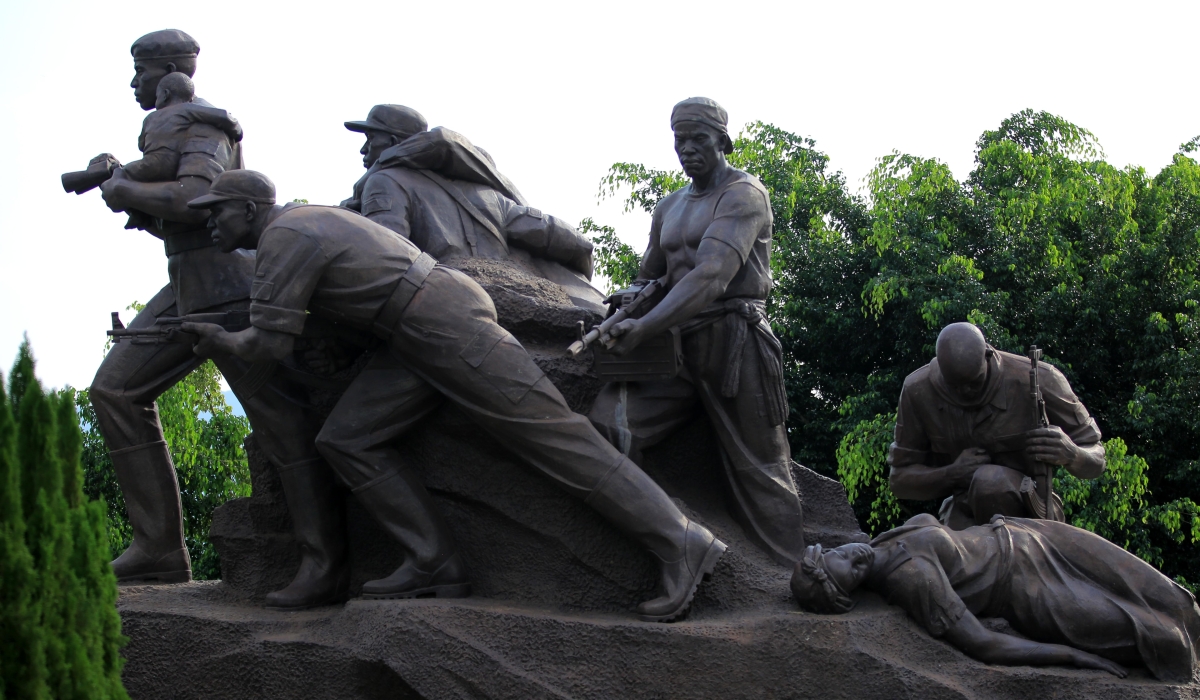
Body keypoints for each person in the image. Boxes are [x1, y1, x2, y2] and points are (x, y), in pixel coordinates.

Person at [182, 169, 726, 622]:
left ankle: (679, 539)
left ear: (251, 208)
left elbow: (267, 342)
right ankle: (434, 561)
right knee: (348, 437)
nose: (207, 220)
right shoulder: (305, 221)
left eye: (217, 210)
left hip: (438, 321)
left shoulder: (286, 234)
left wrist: (217, 340)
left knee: (552, 435)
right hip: (409, 333)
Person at [87, 30, 345, 612]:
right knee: (115, 391)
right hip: (185, 283)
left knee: (281, 426)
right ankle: (157, 548)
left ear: (170, 71)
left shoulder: (203, 125)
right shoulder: (171, 128)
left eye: (140, 71)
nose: (134, 83)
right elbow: (173, 211)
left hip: (228, 286)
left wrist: (128, 187)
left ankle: (324, 564)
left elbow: (193, 199)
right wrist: (130, 196)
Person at [587, 97, 805, 566]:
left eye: (698, 139)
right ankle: (666, 546)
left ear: (722, 141)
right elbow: (651, 274)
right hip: (673, 347)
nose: (687, 149)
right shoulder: (668, 207)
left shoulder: (744, 194)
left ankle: (793, 573)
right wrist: (627, 302)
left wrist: (643, 326)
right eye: (679, 140)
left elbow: (711, 275)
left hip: (734, 343)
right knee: (611, 427)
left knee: (762, 468)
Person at [790, 514, 1200, 682]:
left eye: (843, 555)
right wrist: (1071, 655)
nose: (857, 557)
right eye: (855, 571)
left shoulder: (883, 541)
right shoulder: (911, 580)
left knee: (1176, 600)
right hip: (1029, 588)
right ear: (853, 592)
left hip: (1030, 535)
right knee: (1164, 641)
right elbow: (983, 643)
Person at [341, 104, 603, 311]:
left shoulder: (383, 181)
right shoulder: (487, 195)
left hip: (441, 304)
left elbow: (382, 256)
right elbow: (563, 238)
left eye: (371, 137)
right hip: (504, 300)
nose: (364, 149)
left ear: (393, 141)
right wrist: (583, 262)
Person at [888, 322, 1106, 528]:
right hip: (963, 516)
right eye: (955, 386)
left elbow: (1096, 458)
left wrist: (1072, 454)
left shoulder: (1041, 379)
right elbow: (899, 481)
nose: (965, 393)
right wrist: (952, 473)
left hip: (1030, 515)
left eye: (974, 383)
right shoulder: (917, 390)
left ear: (988, 355)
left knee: (990, 482)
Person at [122, 71, 243, 185]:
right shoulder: (188, 110)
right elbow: (222, 115)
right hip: (171, 164)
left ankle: (116, 172)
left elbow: (141, 144)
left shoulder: (150, 117)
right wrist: (236, 129)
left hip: (150, 164)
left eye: (157, 96)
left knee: (124, 172)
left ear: (165, 95)